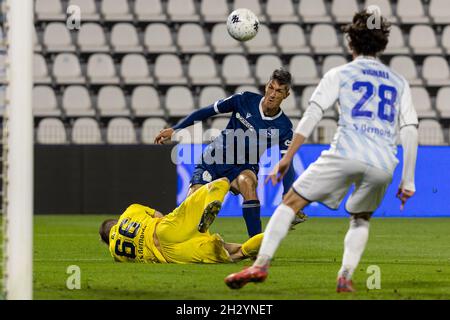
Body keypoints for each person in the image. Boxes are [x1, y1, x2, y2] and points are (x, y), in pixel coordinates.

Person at [225, 9, 419, 292]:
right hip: (383, 163)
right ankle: (345, 277)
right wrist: (408, 180)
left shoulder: (340, 74)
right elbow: (410, 129)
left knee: (290, 203)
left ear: (351, 43)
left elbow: (312, 114)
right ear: (383, 44)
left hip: (345, 153)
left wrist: (287, 158)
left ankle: (260, 265)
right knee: (361, 217)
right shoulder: (399, 82)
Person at [154, 69, 307, 238]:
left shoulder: (283, 127)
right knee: (189, 210)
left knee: (248, 184)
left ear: (286, 95)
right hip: (214, 159)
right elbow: (206, 111)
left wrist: (287, 196)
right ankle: (162, 227)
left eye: (279, 91)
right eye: (271, 88)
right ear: (266, 86)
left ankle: (255, 247)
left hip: (243, 166)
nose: (272, 94)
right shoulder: (243, 100)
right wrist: (175, 129)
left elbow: (287, 162)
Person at [99, 178, 264, 264]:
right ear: (116, 221)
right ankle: (212, 202)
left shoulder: (115, 252)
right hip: (164, 230)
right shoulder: (130, 211)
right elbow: (159, 215)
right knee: (221, 183)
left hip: (170, 256)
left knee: (235, 253)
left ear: (107, 240)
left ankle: (278, 231)